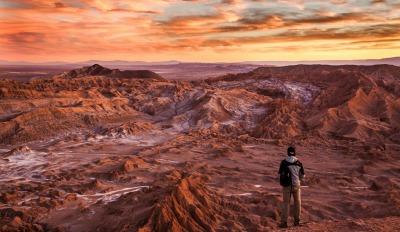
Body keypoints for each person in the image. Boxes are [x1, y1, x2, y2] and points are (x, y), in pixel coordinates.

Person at [278, 146, 305, 228]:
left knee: (286, 203)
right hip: (296, 185)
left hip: (287, 186)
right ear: (294, 152)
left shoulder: (284, 162)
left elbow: (280, 174)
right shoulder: (299, 162)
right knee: (297, 203)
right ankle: (297, 221)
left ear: (288, 152)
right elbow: (302, 176)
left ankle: (284, 223)